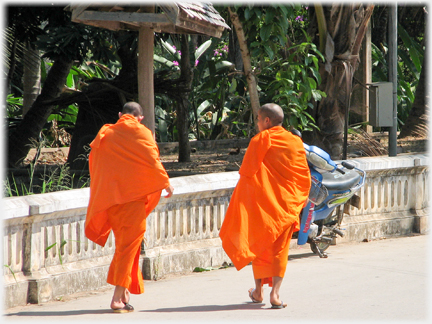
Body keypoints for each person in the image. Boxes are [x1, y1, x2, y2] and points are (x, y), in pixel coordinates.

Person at [219, 103, 311, 309]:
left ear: (267, 121)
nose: (258, 124)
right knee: (280, 250)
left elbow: (247, 173)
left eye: (259, 120)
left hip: (264, 206)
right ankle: (275, 295)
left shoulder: (261, 139)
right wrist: (300, 198)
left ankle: (258, 290)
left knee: (260, 245)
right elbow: (303, 174)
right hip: (287, 204)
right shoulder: (296, 141)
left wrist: (242, 201)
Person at [85, 102, 174, 313]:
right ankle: (117, 297)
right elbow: (153, 161)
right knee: (128, 247)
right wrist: (165, 182)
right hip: (133, 202)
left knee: (126, 246)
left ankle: (124, 294)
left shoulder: (106, 133)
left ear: (120, 115)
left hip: (112, 202)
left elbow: (96, 162)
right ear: (140, 117)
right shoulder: (143, 133)